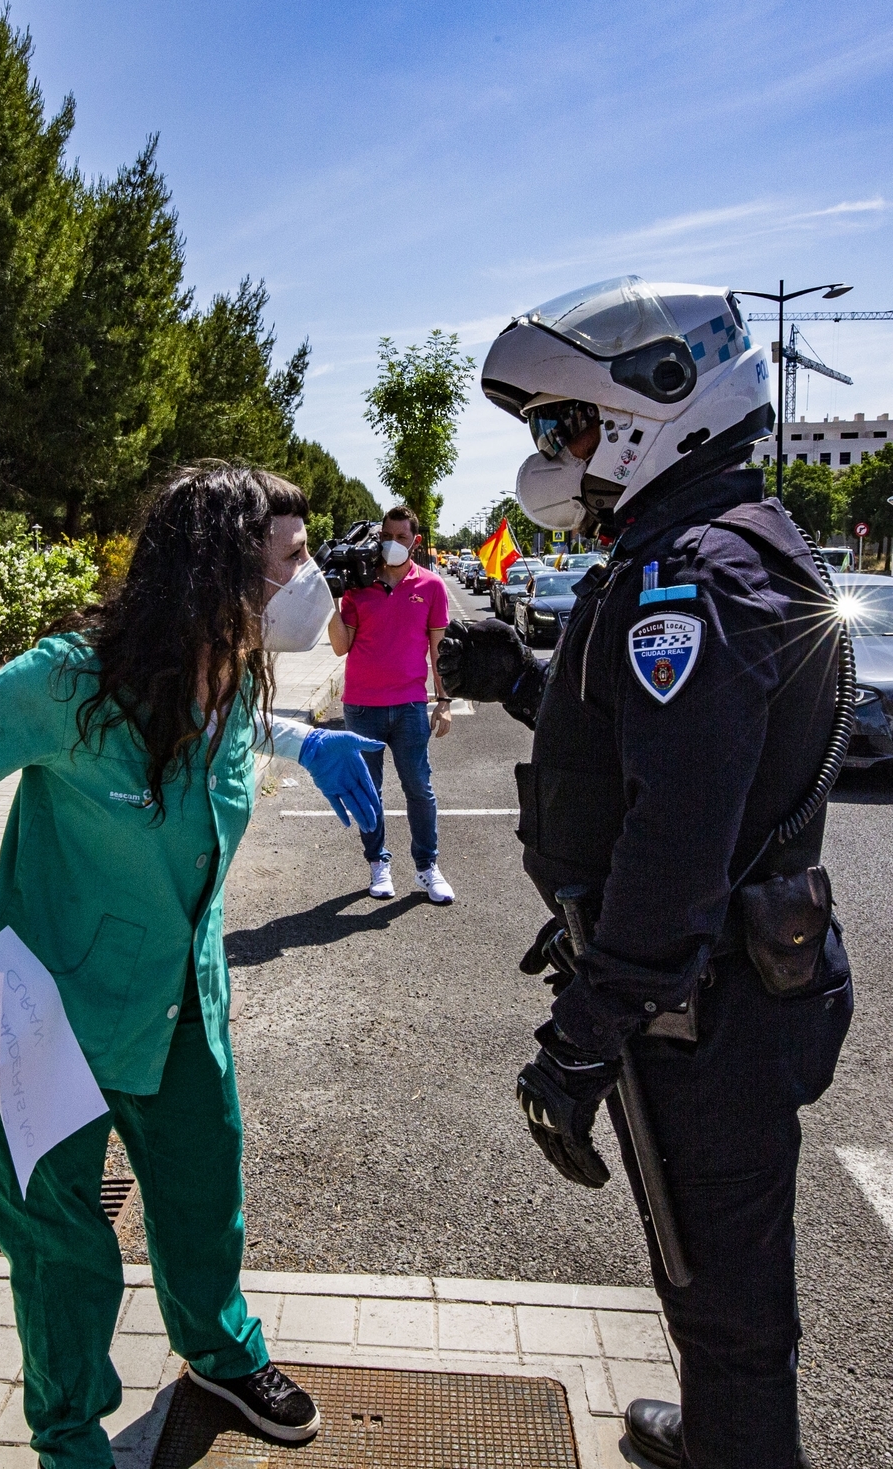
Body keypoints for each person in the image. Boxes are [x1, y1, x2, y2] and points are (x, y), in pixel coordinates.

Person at [439, 278, 851, 1469]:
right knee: (707, 1261)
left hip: (704, 996)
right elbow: (659, 747)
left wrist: (580, 1035)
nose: (549, 455)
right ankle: (727, 1432)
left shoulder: (694, 574)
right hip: (711, 982)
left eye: (561, 425)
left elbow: (678, 840)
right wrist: (523, 674)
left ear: (653, 406)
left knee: (718, 1276)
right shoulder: (699, 542)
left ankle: (739, 1446)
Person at [0, 465, 385, 1468]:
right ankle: (69, 1433)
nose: (309, 576)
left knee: (206, 1197)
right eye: (290, 558)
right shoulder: (75, 675)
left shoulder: (215, 665)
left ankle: (217, 1349)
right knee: (63, 1247)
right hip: (49, 1014)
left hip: (180, 1008)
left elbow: (220, 725)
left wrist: (302, 740)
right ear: (220, 570)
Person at [327, 505, 455, 903]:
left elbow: (440, 653)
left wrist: (444, 701)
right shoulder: (357, 588)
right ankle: (378, 864)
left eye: (402, 537)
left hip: (411, 706)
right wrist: (333, 599)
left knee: (419, 788)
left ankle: (427, 867)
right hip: (362, 708)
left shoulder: (431, 586)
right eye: (388, 536)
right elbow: (339, 647)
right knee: (370, 791)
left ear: (415, 542)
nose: (393, 543)